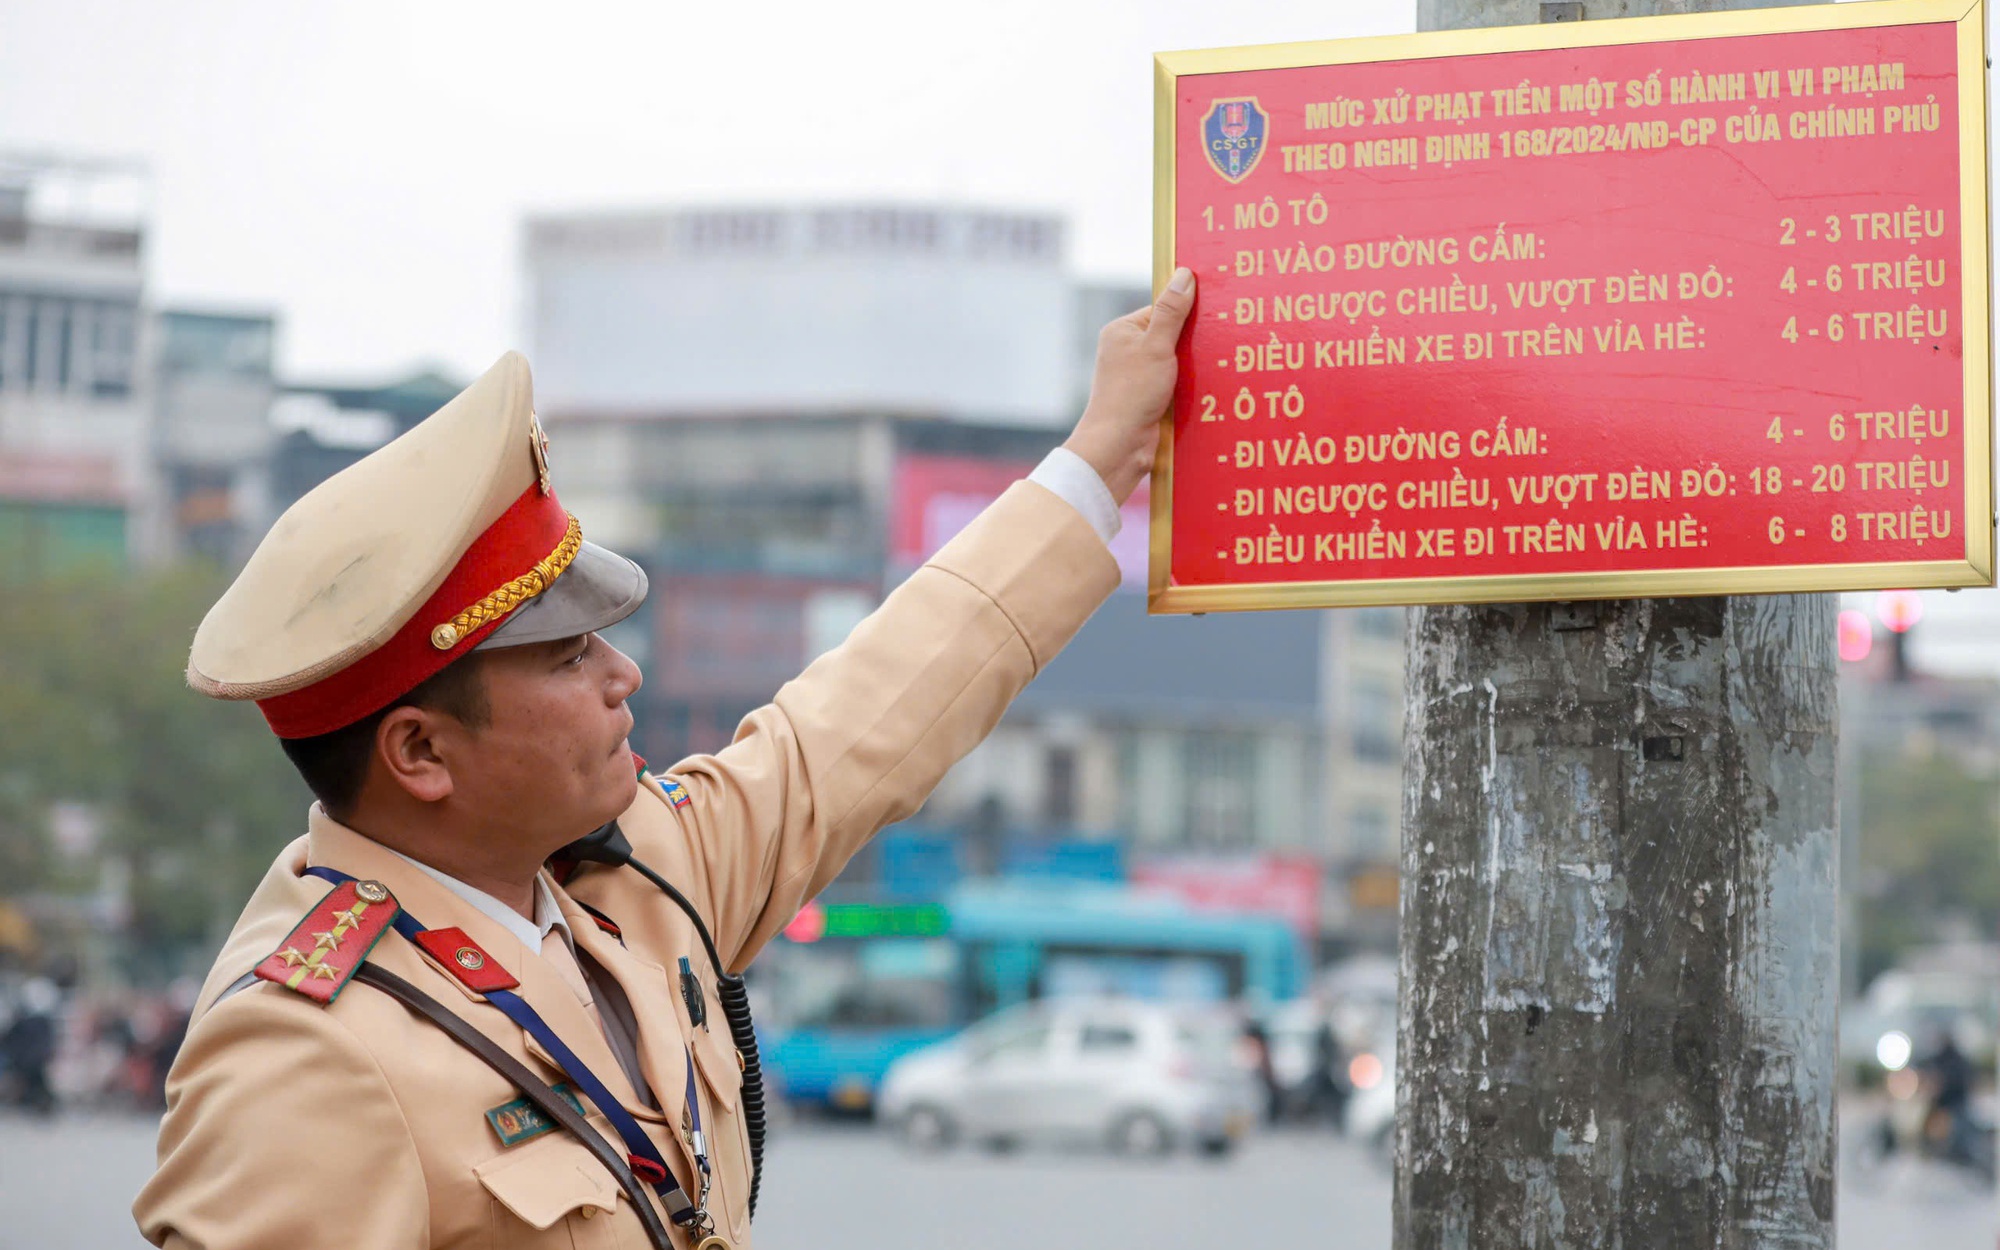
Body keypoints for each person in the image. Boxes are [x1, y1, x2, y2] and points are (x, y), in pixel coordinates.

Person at [134, 270, 1196, 1249]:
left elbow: (866, 716)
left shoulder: (628, 875)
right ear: (421, 751)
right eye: (566, 655)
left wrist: (1101, 452)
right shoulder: (300, 1054)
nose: (621, 675)